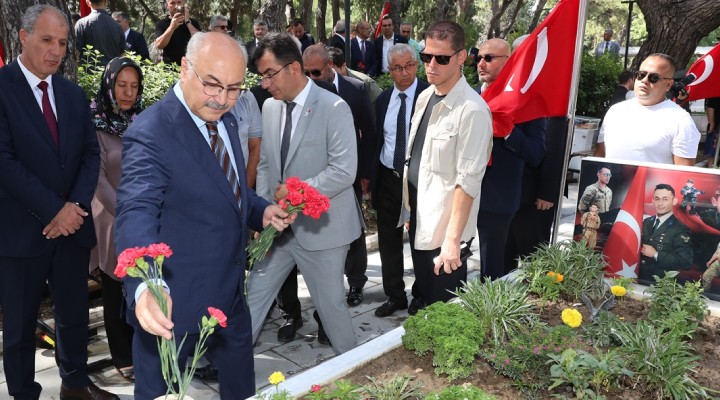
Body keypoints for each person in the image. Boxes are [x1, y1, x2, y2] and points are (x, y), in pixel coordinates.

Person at [114, 32, 294, 399]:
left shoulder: (226, 120)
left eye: (234, 89)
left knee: (242, 390)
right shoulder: (151, 132)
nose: (222, 99)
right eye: (212, 84)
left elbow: (229, 188)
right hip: (173, 307)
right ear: (185, 68)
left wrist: (259, 210)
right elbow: (136, 210)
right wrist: (148, 286)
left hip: (229, 299)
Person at [0, 5, 119, 400]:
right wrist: (56, 210)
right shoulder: (2, 89)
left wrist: (74, 209)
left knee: (73, 316)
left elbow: (89, 154)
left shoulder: (71, 93)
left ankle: (75, 385)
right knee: (19, 327)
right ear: (23, 37)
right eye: (47, 40)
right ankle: (23, 394)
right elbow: (4, 162)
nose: (55, 50)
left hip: (72, 228)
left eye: (63, 43)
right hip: (22, 230)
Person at [247, 32, 362, 353]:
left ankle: (353, 369)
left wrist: (297, 191)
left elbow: (344, 171)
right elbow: (266, 165)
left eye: (269, 74)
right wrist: (264, 212)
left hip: (323, 230)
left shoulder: (333, 107)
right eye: (262, 76)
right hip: (279, 229)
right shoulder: (269, 107)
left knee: (331, 309)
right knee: (253, 295)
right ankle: (229, 365)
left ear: (294, 68)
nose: (265, 84)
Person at [403, 21, 492, 310]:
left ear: (461, 57)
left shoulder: (472, 110)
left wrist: (452, 242)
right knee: (425, 302)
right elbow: (418, 159)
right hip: (421, 219)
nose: (431, 65)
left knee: (444, 310)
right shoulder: (425, 96)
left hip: (445, 233)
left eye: (441, 58)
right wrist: (410, 208)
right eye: (426, 56)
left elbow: (468, 181)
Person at [302, 44, 375, 306]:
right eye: (306, 72)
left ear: (330, 65)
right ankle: (326, 285)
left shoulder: (356, 89)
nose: (311, 77)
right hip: (316, 175)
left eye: (315, 72)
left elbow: (369, 133)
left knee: (352, 231)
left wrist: (365, 173)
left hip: (347, 174)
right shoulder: (304, 92)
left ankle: (356, 283)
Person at [89, 56, 143, 383]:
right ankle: (122, 355)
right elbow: (97, 180)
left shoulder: (143, 121)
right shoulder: (96, 124)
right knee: (115, 288)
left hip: (144, 212)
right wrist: (126, 212)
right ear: (110, 85)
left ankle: (144, 348)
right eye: (122, 85)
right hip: (110, 215)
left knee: (143, 285)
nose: (128, 92)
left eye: (134, 86)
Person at [475, 38, 545, 280]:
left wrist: (509, 132)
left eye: (489, 58)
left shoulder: (528, 101)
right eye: (479, 57)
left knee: (492, 272)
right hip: (462, 192)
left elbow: (536, 154)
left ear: (510, 62)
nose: (481, 63)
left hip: (498, 198)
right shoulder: (468, 96)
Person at [370, 44, 430, 317]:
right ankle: (395, 296)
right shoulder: (383, 100)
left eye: (409, 66)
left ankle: (421, 293)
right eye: (398, 68)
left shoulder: (430, 97)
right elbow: (377, 140)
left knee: (421, 238)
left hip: (419, 180)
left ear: (416, 65)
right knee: (388, 240)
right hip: (388, 178)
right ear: (389, 70)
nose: (404, 72)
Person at [595, 53, 701, 166]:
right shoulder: (615, 111)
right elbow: (598, 157)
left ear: (668, 85)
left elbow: (684, 172)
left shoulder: (681, 121)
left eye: (654, 78)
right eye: (641, 75)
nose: (645, 80)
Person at [639, 184, 693, 282]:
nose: (660, 203)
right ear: (652, 201)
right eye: (657, 199)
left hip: (661, 284)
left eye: (665, 199)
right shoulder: (646, 222)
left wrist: (656, 254)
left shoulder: (680, 228)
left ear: (674, 201)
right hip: (638, 278)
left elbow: (685, 262)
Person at [74, 0, 125, 66]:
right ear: (106, 2)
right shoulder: (117, 26)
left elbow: (76, 52)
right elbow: (123, 54)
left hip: (88, 71)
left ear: (88, 3)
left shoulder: (81, 24)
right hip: (112, 70)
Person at [154, 0, 201, 65]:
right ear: (167, 5)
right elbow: (159, 45)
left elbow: (200, 42)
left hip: (191, 66)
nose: (176, 6)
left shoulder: (193, 22)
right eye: (172, 3)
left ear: (183, 4)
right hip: (170, 68)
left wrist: (187, 21)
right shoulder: (161, 24)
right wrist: (172, 27)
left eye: (179, 2)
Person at [704, 97, 719, 167]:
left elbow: (710, 109)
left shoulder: (714, 95)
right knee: (713, 149)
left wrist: (712, 124)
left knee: (712, 150)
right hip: (716, 126)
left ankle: (711, 166)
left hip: (716, 127)